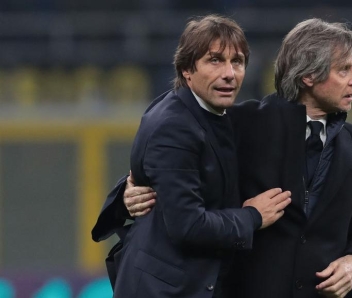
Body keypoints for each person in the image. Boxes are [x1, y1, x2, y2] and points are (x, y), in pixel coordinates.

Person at [103, 18, 352, 298]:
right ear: (309, 76)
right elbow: (175, 169)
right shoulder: (242, 123)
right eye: (345, 69)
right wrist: (127, 194)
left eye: (237, 62)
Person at [91, 15, 292, 298]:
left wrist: (124, 194)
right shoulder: (174, 125)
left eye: (237, 62)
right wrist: (253, 216)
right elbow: (188, 226)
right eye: (215, 60)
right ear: (187, 69)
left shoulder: (210, 112)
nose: (229, 73)